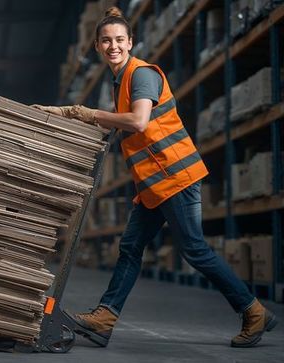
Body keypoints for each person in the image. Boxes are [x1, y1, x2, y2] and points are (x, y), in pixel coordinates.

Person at [34, 7, 277, 348]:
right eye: (106, 41)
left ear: (131, 42)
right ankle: (105, 318)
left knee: (194, 249)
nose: (113, 46)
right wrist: (64, 115)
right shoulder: (119, 81)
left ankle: (253, 311)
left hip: (174, 176)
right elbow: (119, 123)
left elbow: (138, 122)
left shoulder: (142, 75)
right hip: (153, 184)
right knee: (131, 246)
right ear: (97, 46)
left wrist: (85, 112)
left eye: (119, 39)